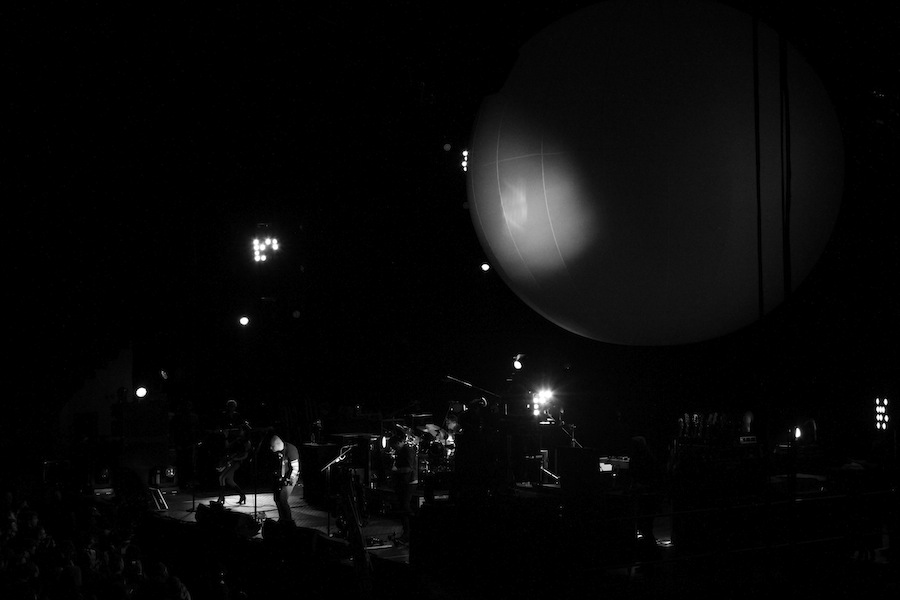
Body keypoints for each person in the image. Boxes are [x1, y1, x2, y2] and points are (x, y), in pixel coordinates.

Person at [389, 431, 418, 545]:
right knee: (403, 507)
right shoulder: (402, 451)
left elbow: (408, 469)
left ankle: (408, 533)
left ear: (399, 442)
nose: (393, 448)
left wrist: (396, 470)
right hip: (404, 483)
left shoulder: (407, 451)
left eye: (394, 446)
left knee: (405, 507)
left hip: (409, 482)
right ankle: (407, 533)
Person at [216, 424, 251, 505]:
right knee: (230, 480)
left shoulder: (247, 442)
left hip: (236, 462)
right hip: (232, 461)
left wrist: (235, 459)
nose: (240, 431)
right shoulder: (237, 439)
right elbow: (227, 446)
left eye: (242, 430)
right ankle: (242, 495)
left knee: (222, 477)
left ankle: (221, 498)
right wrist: (226, 436)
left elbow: (245, 455)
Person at [269, 435, 300, 524]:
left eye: (272, 446)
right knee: (277, 498)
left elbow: (295, 468)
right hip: (281, 476)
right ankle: (282, 518)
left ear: (277, 445)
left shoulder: (291, 450)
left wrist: (290, 479)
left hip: (291, 476)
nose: (270, 448)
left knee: (282, 499)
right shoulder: (277, 452)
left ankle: (288, 521)